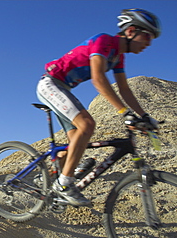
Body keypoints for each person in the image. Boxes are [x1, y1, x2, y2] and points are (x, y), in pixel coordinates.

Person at [36, 8, 160, 206]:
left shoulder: (119, 57)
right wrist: (124, 113)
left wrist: (143, 115)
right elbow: (98, 78)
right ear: (130, 31)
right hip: (50, 83)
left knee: (76, 141)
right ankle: (64, 184)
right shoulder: (103, 41)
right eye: (146, 36)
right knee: (87, 124)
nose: (149, 42)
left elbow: (124, 89)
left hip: (64, 87)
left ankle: (46, 177)